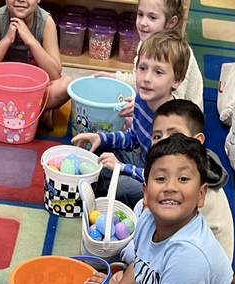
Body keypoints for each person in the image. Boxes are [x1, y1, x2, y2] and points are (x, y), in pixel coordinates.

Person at [68, 134, 232, 284]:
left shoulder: (190, 254)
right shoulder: (147, 218)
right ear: (145, 192)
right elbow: (141, 263)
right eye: (160, 178)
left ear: (201, 195)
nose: (170, 186)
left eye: (183, 179)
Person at [72, 31, 190, 209]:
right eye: (142, 68)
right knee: (97, 152)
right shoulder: (141, 100)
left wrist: (120, 167)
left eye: (158, 72)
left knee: (121, 187)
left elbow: (162, 178)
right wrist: (101, 138)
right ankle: (97, 187)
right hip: (142, 163)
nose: (147, 78)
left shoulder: (172, 124)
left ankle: (97, 192)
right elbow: (133, 136)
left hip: (160, 181)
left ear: (177, 80)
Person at [120, 99, 234, 262]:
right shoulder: (185, 165)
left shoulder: (195, 192)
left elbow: (147, 250)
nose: (164, 142)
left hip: (191, 264)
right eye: (157, 136)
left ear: (198, 140)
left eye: (174, 135)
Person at [0, 0, 69, 123]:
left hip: (34, 89)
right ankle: (36, 112)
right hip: (3, 87)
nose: (21, 0)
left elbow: (55, 75)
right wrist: (7, 39)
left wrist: (31, 40)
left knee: (66, 84)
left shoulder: (46, 22)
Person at [113, 0, 203, 110]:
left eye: (152, 17)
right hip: (155, 105)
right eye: (140, 14)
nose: (142, 22)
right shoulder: (146, 43)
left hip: (182, 115)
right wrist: (115, 78)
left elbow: (176, 102)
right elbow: (139, 78)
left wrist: (138, 106)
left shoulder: (177, 54)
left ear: (171, 22)